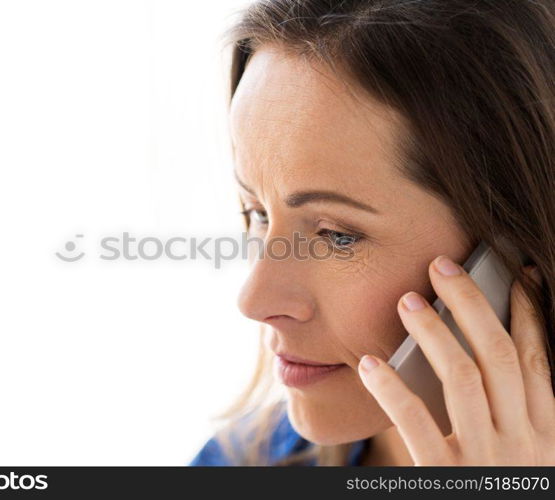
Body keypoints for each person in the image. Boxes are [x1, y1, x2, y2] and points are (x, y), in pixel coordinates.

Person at [190, 0, 555, 466]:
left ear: (511, 257)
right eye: (258, 213)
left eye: (336, 236)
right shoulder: (237, 461)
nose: (254, 301)